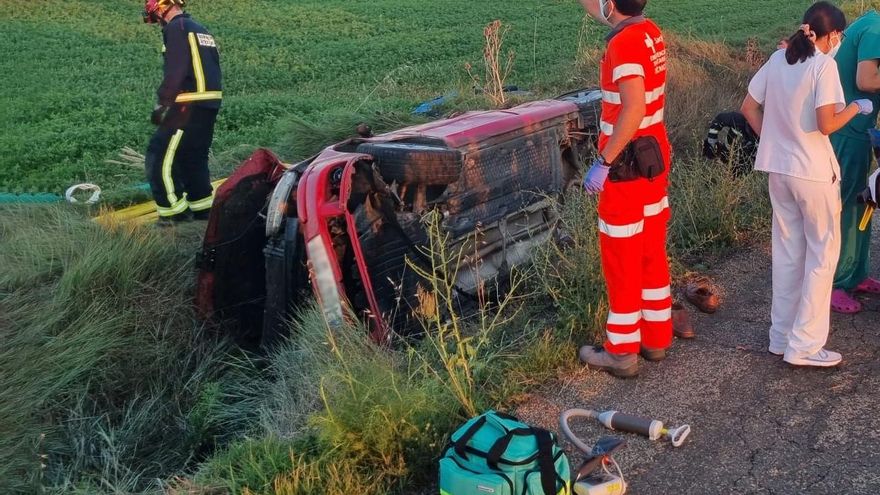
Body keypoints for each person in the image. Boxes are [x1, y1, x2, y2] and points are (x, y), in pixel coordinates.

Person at [741, 2, 873, 367]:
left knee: (787, 255)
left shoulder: (777, 59)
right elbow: (826, 123)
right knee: (821, 257)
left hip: (778, 172)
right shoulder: (823, 65)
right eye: (840, 36)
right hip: (813, 173)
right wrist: (856, 108)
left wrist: (772, 137)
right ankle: (806, 345)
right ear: (831, 35)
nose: (840, 42)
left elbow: (749, 107)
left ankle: (781, 337)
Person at [577, 0, 673, 378]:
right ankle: (655, 338)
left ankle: (620, 350)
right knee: (651, 248)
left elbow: (632, 107)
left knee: (621, 256)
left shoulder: (624, 43)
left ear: (611, 4)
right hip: (652, 157)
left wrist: (603, 163)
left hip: (625, 167)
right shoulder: (649, 32)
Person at [143, 0, 222, 224]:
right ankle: (202, 208)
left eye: (155, 15)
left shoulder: (175, 29)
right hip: (209, 102)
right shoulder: (199, 28)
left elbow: (176, 70)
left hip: (186, 103)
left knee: (159, 155)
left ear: (160, 9)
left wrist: (162, 104)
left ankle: (172, 214)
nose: (157, 22)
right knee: (193, 157)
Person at [828, 9, 880, 313]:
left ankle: (857, 273)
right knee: (846, 207)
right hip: (847, 130)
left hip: (861, 130)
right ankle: (836, 282)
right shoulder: (875, 28)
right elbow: (866, 78)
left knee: (865, 202)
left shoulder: (870, 23)